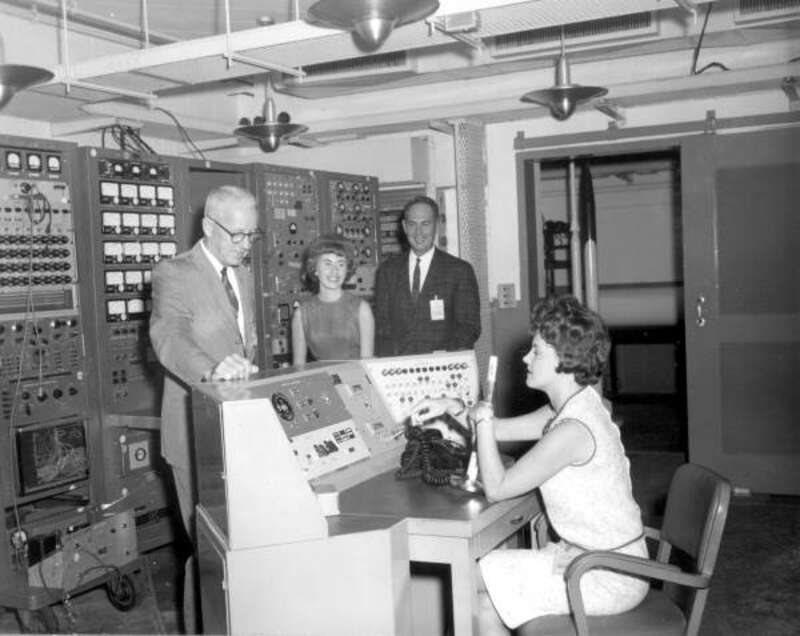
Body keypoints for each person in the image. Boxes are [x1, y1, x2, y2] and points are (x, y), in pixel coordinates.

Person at [412, 295, 648, 634]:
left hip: (608, 574)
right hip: (589, 559)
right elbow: (500, 428)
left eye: (536, 351)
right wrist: (452, 407)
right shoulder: (571, 408)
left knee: (458, 575)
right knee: (481, 603)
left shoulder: (572, 430)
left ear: (565, 360)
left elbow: (497, 488)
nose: (525, 357)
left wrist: (481, 424)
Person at [149, 185, 261, 634]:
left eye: (253, 235)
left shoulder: (244, 273)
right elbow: (169, 338)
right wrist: (212, 369)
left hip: (238, 428)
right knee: (209, 553)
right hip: (195, 432)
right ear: (209, 227)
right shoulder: (174, 273)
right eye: (238, 235)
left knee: (242, 548)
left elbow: (244, 346)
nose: (246, 245)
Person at [374, 195, 480, 356]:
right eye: (412, 224)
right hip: (399, 368)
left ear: (436, 225)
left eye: (425, 224)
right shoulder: (387, 271)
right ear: (404, 226)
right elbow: (382, 325)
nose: (418, 232)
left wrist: (446, 355)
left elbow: (469, 326)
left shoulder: (459, 271)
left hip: (443, 368)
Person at [291, 234, 375, 364]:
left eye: (341, 264)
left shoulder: (362, 309)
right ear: (315, 268)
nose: (334, 271)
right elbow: (298, 368)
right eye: (327, 264)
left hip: (356, 380)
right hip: (321, 380)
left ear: (347, 269)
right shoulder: (301, 314)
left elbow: (368, 363)